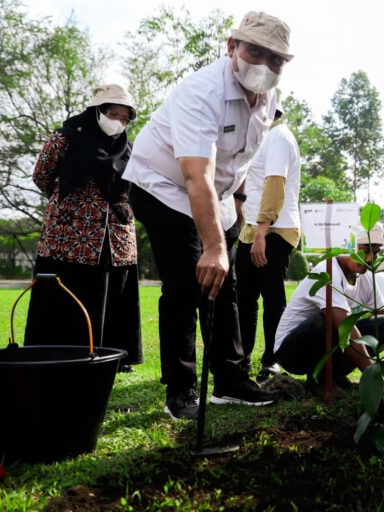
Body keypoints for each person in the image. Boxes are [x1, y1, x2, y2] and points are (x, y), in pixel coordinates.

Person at [123, 11, 292, 419]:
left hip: (215, 193)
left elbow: (242, 158)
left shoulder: (270, 98)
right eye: (256, 51)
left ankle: (230, 381)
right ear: (232, 47)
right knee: (186, 283)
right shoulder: (201, 92)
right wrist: (213, 245)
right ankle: (180, 392)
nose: (265, 66)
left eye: (276, 60)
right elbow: (196, 175)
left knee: (225, 285)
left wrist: (237, 202)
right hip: (162, 185)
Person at [25, 84, 142, 372]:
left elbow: (137, 185)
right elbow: (42, 176)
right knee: (67, 292)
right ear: (97, 111)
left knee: (113, 292)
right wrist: (70, 201)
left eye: (125, 117)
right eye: (113, 113)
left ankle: (114, 354)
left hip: (115, 235)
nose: (119, 122)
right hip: (70, 235)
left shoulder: (129, 147)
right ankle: (61, 352)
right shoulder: (65, 138)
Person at [274, 224, 384, 396]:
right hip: (293, 351)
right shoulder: (328, 270)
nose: (370, 259)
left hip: (329, 345)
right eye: (364, 251)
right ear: (348, 245)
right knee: (329, 321)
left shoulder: (366, 276)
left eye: (376, 253)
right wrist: (372, 379)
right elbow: (345, 327)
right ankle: (320, 380)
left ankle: (334, 374)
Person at [235, 90, 301, 381]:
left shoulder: (278, 138)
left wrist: (262, 232)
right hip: (252, 229)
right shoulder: (261, 137)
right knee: (244, 298)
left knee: (272, 298)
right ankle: (241, 358)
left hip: (273, 230)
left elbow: (275, 186)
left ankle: (273, 359)